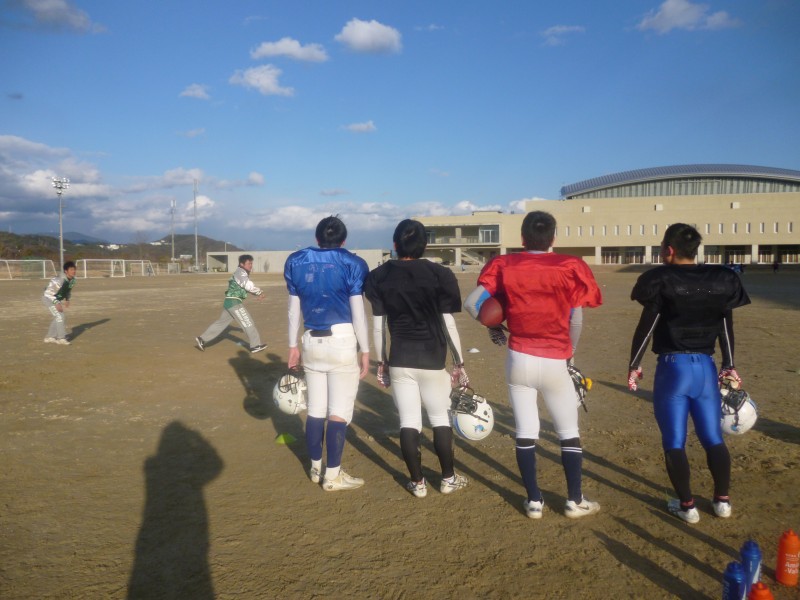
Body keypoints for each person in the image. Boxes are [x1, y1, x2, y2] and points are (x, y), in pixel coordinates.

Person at [464, 210, 602, 519]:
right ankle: (574, 500)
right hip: (554, 358)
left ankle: (534, 502)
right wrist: (570, 354)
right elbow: (576, 319)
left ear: (523, 238)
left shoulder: (505, 264)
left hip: (519, 358)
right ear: (553, 237)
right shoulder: (570, 266)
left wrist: (494, 327)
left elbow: (471, 303)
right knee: (568, 432)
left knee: (526, 431)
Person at [628, 223, 750, 523]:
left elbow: (646, 328)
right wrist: (729, 364)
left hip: (673, 369)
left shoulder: (661, 280)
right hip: (706, 368)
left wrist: (634, 365)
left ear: (669, 250)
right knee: (713, 437)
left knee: (674, 440)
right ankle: (722, 501)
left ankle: (688, 506)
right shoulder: (721, 279)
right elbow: (725, 326)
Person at [364, 219, 469, 498]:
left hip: (400, 357)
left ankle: (417, 483)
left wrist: (383, 362)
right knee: (439, 418)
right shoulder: (439, 274)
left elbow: (379, 326)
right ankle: (448, 478)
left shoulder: (379, 276)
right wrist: (459, 363)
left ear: (395, 244)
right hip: (433, 358)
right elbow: (448, 324)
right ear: (424, 245)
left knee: (408, 421)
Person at [284, 216, 371, 491]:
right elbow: (358, 313)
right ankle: (332, 475)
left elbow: (293, 310)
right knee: (339, 411)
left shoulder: (296, 261)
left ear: (317, 238)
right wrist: (366, 349)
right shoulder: (352, 263)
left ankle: (315, 467)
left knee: (316, 409)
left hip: (311, 340)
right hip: (342, 340)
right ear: (343, 240)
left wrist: (292, 345)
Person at [195, 254, 267, 353]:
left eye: (251, 263)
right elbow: (247, 285)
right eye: (249, 263)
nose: (251, 265)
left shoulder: (240, 272)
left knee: (220, 323)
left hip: (229, 302)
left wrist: (256, 293)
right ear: (242, 264)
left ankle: (202, 339)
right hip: (234, 302)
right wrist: (259, 292)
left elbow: (243, 287)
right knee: (248, 322)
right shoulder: (240, 272)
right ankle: (255, 345)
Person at [43, 260, 77, 345]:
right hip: (48, 298)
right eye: (71, 269)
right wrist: (56, 303)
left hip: (55, 299)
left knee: (58, 316)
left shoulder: (73, 280)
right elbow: (48, 293)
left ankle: (50, 337)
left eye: (74, 269)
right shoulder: (59, 280)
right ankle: (61, 338)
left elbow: (68, 290)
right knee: (60, 316)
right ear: (66, 271)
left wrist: (67, 299)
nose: (74, 271)